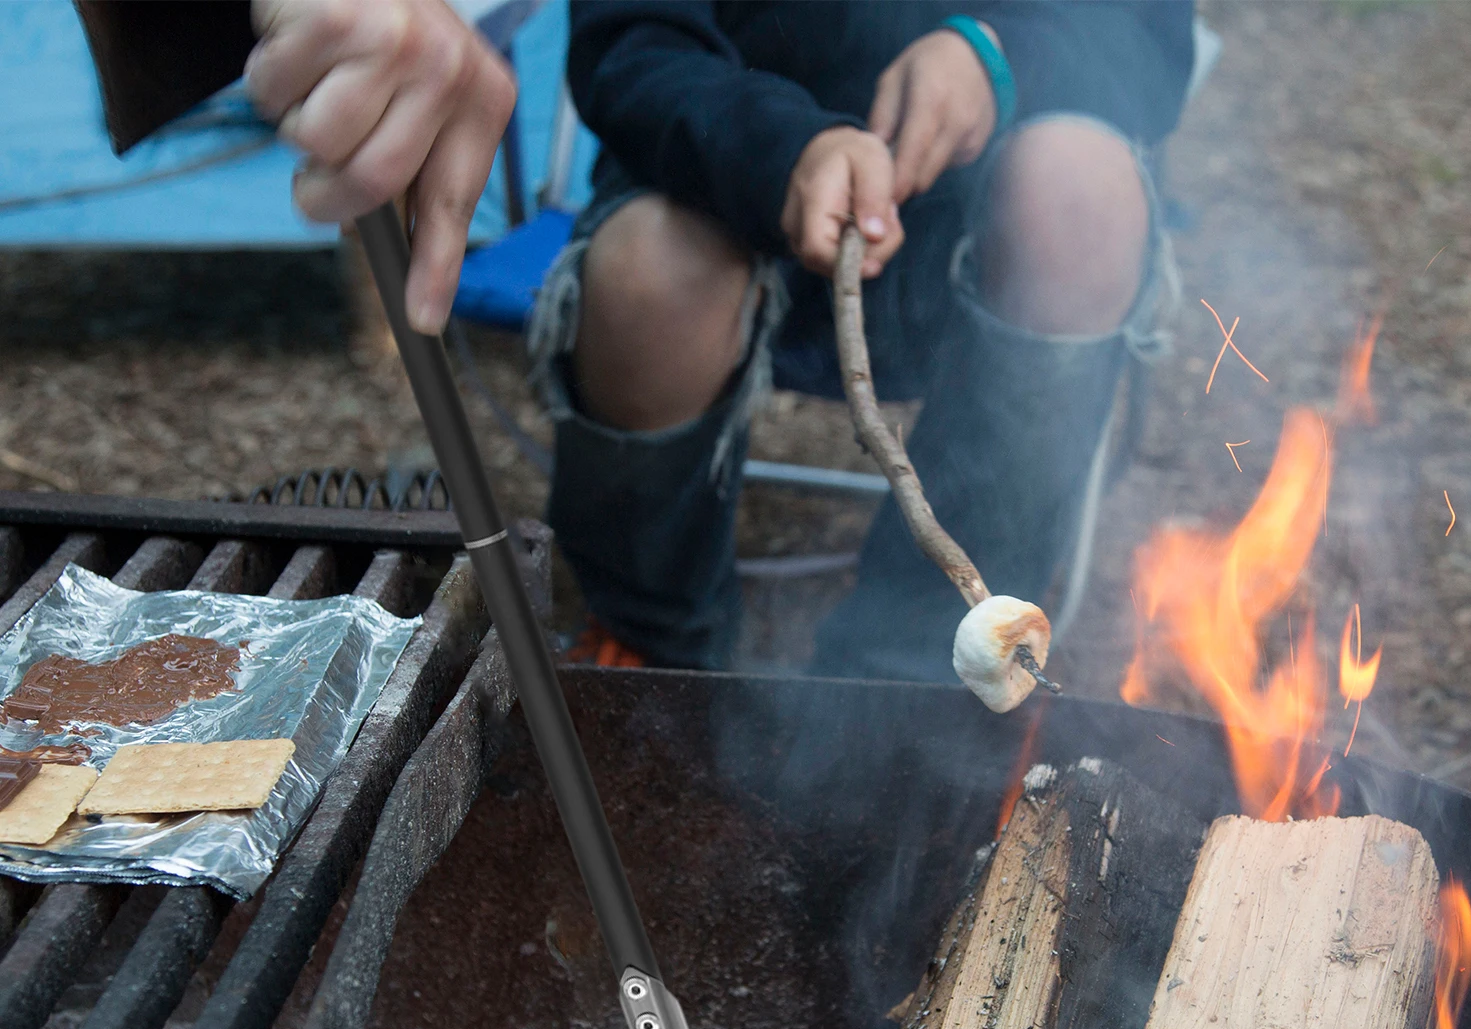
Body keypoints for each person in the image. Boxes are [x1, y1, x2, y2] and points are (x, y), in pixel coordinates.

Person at [80, 0, 1194, 683]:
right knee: (652, 269)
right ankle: (656, 652)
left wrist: (1001, 56)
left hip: (979, 229)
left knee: (1085, 191)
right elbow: (630, 46)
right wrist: (784, 149)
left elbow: (1147, 36)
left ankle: (932, 667)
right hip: (718, 168)